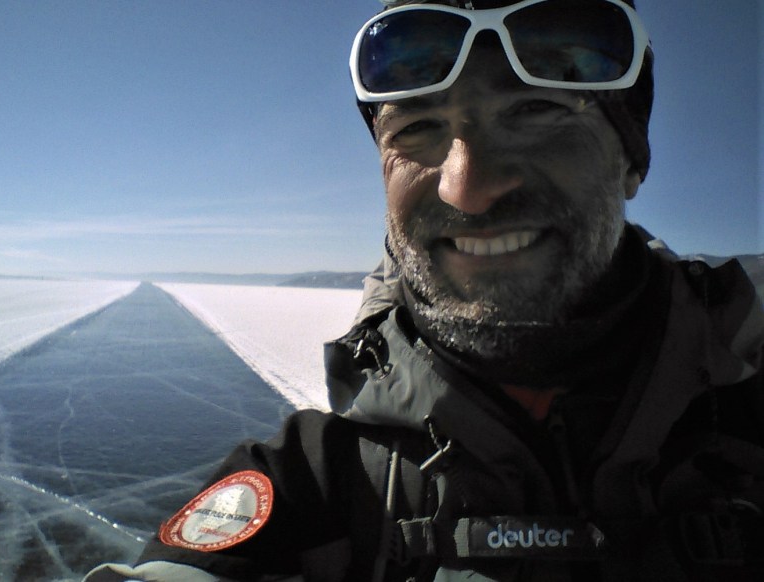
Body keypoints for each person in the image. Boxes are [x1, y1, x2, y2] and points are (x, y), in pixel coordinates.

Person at [85, 0, 764, 580]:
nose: (465, 187)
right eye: (417, 130)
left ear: (631, 161)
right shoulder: (316, 480)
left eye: (535, 112)